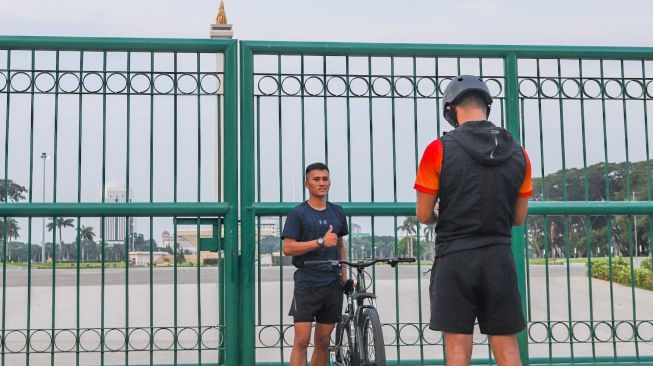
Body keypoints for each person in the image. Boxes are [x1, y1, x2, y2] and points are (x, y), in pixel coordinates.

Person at [414, 75, 532, 366]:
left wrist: (443, 209)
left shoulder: (438, 149)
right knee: (507, 347)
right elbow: (518, 218)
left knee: (457, 348)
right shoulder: (520, 153)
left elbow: (423, 214)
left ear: (451, 109)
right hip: (498, 257)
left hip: (455, 258)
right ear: (487, 107)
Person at [282, 162, 349, 366]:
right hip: (307, 282)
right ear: (306, 183)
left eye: (325, 179)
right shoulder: (298, 213)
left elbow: (340, 246)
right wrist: (319, 241)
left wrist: (344, 275)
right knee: (301, 340)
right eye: (316, 179)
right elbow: (288, 248)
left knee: (323, 341)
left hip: (332, 283)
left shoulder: (337, 212)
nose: (321, 183)